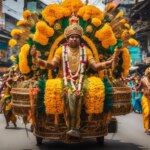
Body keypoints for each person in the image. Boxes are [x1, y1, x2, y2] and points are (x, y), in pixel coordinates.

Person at [31, 15, 115, 138]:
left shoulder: (85, 50)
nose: (74, 39)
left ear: (80, 39)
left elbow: (95, 66)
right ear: (67, 38)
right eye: (72, 37)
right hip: (62, 79)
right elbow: (52, 65)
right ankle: (72, 127)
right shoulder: (61, 50)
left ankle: (75, 127)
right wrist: (37, 59)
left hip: (82, 80)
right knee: (71, 94)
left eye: (76, 37)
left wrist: (107, 63)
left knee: (78, 94)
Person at [137, 67, 150, 134]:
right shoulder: (143, 80)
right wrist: (137, 89)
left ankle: (148, 127)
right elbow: (139, 87)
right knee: (147, 112)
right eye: (149, 74)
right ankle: (146, 128)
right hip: (145, 98)